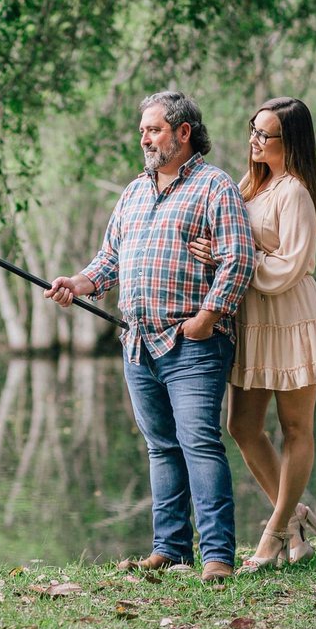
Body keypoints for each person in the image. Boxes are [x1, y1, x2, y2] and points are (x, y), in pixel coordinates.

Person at [45, 91, 256, 584]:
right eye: (142, 130)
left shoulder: (214, 186)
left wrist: (209, 315)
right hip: (137, 343)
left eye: (154, 129)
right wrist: (78, 283)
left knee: (199, 442)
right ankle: (171, 549)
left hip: (194, 344)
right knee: (161, 446)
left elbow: (238, 258)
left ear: (183, 132)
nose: (144, 137)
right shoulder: (134, 192)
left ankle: (218, 556)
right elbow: (110, 260)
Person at [189, 96, 316, 573]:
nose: (254, 140)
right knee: (242, 426)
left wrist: (234, 259)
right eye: (252, 129)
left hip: (291, 316)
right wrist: (218, 253)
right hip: (253, 319)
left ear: (289, 140)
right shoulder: (249, 187)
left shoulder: (294, 192)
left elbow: (291, 265)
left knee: (296, 428)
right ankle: (294, 517)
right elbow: (237, 243)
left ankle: (275, 530)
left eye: (265, 133)